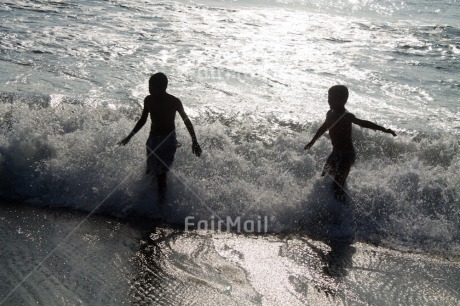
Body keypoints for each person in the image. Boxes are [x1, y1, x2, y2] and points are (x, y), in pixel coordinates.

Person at [304, 85, 396, 202]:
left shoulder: (346, 116)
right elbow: (323, 127)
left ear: (342, 100)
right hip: (335, 153)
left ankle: (343, 211)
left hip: (347, 156)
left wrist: (384, 130)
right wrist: (312, 141)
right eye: (328, 97)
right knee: (325, 177)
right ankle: (324, 205)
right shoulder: (329, 114)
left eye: (332, 98)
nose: (328, 100)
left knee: (337, 185)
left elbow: (363, 123)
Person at [119, 72, 202, 202]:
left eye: (151, 86)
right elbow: (142, 120)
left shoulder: (174, 101)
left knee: (161, 173)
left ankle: (161, 205)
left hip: (168, 139)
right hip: (152, 139)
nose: (149, 89)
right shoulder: (148, 100)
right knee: (150, 170)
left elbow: (186, 120)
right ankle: (147, 201)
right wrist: (129, 137)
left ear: (161, 88)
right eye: (149, 86)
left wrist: (194, 141)